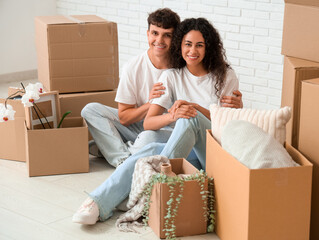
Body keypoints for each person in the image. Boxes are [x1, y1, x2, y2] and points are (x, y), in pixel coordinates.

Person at [72, 17, 242, 225]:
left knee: (190, 117)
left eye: (200, 45)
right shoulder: (170, 76)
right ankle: (97, 202)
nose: (192, 51)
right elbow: (148, 123)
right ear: (180, 46)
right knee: (149, 148)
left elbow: (228, 126)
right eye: (187, 44)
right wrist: (172, 115)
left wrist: (194, 108)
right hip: (186, 152)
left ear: (209, 48)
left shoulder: (225, 76)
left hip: (212, 150)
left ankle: (151, 189)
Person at [81, 9, 242, 168]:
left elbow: (226, 120)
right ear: (148, 34)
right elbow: (125, 117)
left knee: (147, 139)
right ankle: (124, 158)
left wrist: (238, 108)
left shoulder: (187, 65)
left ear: (175, 38)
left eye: (167, 35)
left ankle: (119, 150)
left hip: (175, 131)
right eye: (155, 33)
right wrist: (152, 104)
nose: (160, 40)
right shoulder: (138, 68)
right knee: (92, 110)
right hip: (149, 124)